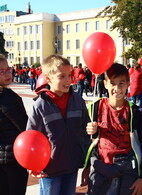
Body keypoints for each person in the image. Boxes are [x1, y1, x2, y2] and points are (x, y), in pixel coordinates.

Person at [26, 54, 91, 195]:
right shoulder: (40, 105)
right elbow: (31, 137)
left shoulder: (78, 101)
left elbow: (84, 132)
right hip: (49, 168)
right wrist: (31, 164)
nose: (68, 80)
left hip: (72, 164)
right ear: (48, 78)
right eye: (62, 76)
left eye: (69, 75)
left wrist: (87, 160)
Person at [84, 63, 142, 195]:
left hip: (127, 172)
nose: (117, 88)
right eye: (112, 83)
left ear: (128, 83)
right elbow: (87, 142)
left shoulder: (135, 112)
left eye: (121, 83)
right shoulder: (94, 108)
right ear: (105, 83)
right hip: (101, 170)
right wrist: (86, 166)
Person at [0, 54, 29, 195]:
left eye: (8, 69)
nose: (7, 73)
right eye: (1, 71)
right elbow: (24, 127)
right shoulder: (7, 98)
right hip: (12, 159)